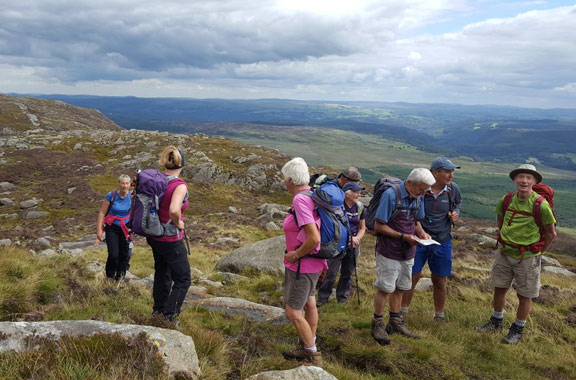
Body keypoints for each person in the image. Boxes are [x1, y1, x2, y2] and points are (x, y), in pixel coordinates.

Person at [477, 164, 556, 344]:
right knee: (499, 287)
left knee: (525, 295)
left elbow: (551, 234)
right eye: (521, 177)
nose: (524, 181)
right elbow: (500, 222)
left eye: (529, 178)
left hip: (527, 257)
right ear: (514, 180)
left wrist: (539, 253)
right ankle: (496, 321)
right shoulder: (506, 199)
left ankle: (517, 329)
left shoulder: (541, 205)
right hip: (504, 251)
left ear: (535, 182)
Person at [370, 168, 436, 345]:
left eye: (425, 191)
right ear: (409, 183)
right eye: (421, 190)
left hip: (408, 251)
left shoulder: (418, 197)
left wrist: (423, 234)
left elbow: (416, 221)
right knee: (385, 288)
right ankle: (377, 323)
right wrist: (403, 237)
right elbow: (379, 226)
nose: (422, 194)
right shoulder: (391, 196)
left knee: (401, 287)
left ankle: (395, 322)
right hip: (389, 250)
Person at [401, 157, 462, 321]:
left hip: (442, 240)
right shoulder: (420, 187)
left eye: (452, 171)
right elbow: (408, 211)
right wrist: (418, 231)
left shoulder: (452, 189)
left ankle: (439, 316)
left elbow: (457, 203)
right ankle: (402, 312)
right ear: (435, 173)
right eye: (447, 171)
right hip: (418, 240)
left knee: (440, 280)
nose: (451, 175)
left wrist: (455, 214)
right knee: (412, 277)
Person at [281, 157, 325, 367]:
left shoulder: (300, 199)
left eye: (284, 178)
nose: (283, 182)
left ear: (291, 179)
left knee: (292, 311)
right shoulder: (312, 194)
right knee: (309, 303)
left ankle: (313, 357)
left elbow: (314, 238)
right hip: (314, 264)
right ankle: (306, 345)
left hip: (303, 265)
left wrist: (295, 254)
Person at [146, 146, 191, 322]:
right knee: (183, 279)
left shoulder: (156, 181)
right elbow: (174, 209)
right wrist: (178, 222)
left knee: (162, 272)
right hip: (170, 238)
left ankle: (158, 311)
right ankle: (169, 317)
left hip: (154, 235)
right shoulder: (179, 185)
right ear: (182, 164)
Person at [317, 181, 366, 305]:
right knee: (331, 273)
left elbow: (362, 227)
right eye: (356, 192)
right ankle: (322, 299)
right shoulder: (337, 206)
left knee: (348, 273)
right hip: (338, 244)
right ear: (347, 194)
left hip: (353, 245)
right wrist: (350, 238)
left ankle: (342, 299)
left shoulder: (360, 207)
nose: (359, 195)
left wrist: (357, 239)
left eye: (359, 192)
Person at [95, 174, 132, 280]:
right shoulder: (111, 195)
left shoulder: (132, 196)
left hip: (126, 228)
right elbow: (102, 213)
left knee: (124, 254)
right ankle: (110, 276)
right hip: (112, 227)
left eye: (127, 183)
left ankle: (120, 277)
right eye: (122, 183)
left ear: (129, 184)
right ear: (119, 184)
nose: (125, 186)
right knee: (113, 254)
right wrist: (99, 230)